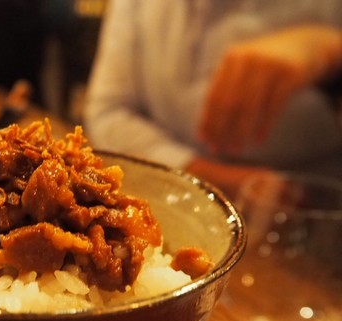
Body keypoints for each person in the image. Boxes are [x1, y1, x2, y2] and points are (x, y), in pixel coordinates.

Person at [83, 0, 342, 198]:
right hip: (169, 204)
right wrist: (218, 180)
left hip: (312, 216)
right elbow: (108, 111)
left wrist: (328, 50)